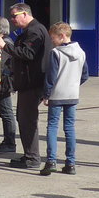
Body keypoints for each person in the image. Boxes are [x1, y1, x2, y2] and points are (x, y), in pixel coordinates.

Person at [0, 2, 52, 169]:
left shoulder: (35, 31)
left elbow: (27, 53)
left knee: (27, 120)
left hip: (32, 84)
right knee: (24, 119)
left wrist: (4, 45)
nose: (12, 19)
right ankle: (30, 155)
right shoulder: (31, 30)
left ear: (25, 14)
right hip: (30, 83)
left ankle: (32, 158)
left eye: (14, 16)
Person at [40, 22, 88, 176]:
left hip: (57, 94)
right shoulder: (81, 52)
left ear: (61, 36)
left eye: (53, 37)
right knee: (69, 128)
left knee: (52, 127)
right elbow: (85, 75)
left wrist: (46, 95)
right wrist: (73, 85)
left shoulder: (56, 53)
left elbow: (51, 77)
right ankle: (70, 163)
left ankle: (51, 161)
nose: (52, 41)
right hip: (72, 95)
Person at [0, 16, 17, 155]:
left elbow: (2, 64)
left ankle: (10, 143)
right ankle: (7, 141)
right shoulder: (6, 42)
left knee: (6, 112)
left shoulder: (6, 43)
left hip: (4, 82)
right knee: (4, 112)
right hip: (2, 81)